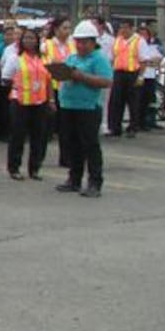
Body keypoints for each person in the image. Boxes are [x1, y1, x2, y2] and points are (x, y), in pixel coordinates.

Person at [56, 20, 114, 198]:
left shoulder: (98, 59)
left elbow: (106, 81)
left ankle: (95, 182)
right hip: (69, 105)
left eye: (84, 42)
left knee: (90, 145)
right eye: (78, 41)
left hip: (88, 108)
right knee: (73, 144)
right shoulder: (72, 57)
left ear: (93, 42)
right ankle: (74, 179)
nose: (80, 45)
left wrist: (81, 77)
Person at [3, 29, 54, 181]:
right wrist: (19, 87)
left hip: (39, 102)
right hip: (20, 101)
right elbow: (6, 77)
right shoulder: (15, 58)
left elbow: (48, 80)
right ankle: (14, 168)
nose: (29, 41)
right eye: (26, 38)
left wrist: (51, 100)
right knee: (18, 136)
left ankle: (35, 168)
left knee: (38, 136)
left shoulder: (43, 58)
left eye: (32, 38)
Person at [42, 18, 75, 166]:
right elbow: (42, 64)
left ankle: (67, 158)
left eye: (69, 28)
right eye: (64, 28)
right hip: (52, 87)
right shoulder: (46, 45)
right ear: (56, 30)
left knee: (67, 125)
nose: (67, 31)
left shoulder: (73, 45)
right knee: (48, 124)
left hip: (68, 87)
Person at [107, 19, 143, 138]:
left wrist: (141, 76)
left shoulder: (139, 41)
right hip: (118, 73)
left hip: (132, 73)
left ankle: (133, 127)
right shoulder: (117, 41)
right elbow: (112, 58)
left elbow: (144, 60)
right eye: (121, 28)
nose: (123, 30)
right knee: (116, 101)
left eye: (126, 27)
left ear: (132, 28)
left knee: (133, 102)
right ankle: (115, 128)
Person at [137, 25, 164, 131]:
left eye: (145, 34)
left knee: (149, 100)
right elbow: (140, 61)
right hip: (140, 76)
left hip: (150, 77)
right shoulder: (136, 46)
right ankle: (137, 122)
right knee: (138, 101)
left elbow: (157, 61)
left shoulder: (153, 47)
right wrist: (148, 61)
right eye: (141, 34)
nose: (143, 37)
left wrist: (148, 62)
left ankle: (147, 122)